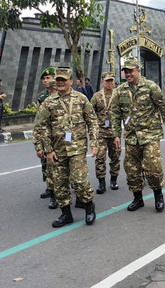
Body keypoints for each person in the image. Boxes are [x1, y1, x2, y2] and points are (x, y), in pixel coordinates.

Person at [33, 67, 99, 228]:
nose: (61, 83)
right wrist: (47, 149)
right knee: (59, 184)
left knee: (79, 181)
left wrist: (95, 142)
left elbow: (92, 121)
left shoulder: (81, 99)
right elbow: (41, 126)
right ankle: (66, 214)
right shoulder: (49, 102)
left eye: (64, 80)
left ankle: (89, 206)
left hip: (77, 148)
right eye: (58, 80)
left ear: (70, 81)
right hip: (57, 150)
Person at [111, 57, 165, 213]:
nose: (128, 74)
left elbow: (163, 106)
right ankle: (137, 198)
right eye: (125, 71)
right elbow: (114, 114)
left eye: (131, 71)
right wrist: (116, 135)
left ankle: (158, 196)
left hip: (150, 134)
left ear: (138, 71)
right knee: (132, 169)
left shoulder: (150, 87)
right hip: (132, 136)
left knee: (153, 167)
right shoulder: (120, 91)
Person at [90, 72, 121, 194]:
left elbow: (125, 112)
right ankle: (101, 182)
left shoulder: (118, 95)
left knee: (115, 157)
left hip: (114, 133)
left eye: (111, 81)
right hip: (101, 132)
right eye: (107, 81)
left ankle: (114, 180)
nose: (110, 83)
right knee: (100, 158)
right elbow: (91, 113)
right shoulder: (97, 96)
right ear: (103, 82)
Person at [35, 67, 58, 210]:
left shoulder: (63, 93)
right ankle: (51, 190)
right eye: (44, 79)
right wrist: (38, 143)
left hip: (61, 136)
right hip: (46, 135)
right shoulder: (42, 97)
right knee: (47, 164)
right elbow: (38, 120)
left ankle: (62, 190)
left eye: (48, 78)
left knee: (60, 166)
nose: (45, 81)